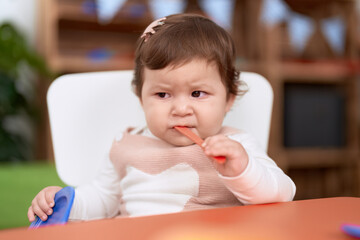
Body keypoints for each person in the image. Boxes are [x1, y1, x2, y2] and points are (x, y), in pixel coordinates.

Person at [28, 13, 296, 222]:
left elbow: (283, 193)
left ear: (229, 99)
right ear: (140, 96)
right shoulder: (127, 144)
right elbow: (103, 200)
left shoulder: (236, 146)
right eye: (163, 95)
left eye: (197, 93)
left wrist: (242, 170)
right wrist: (63, 202)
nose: (181, 109)